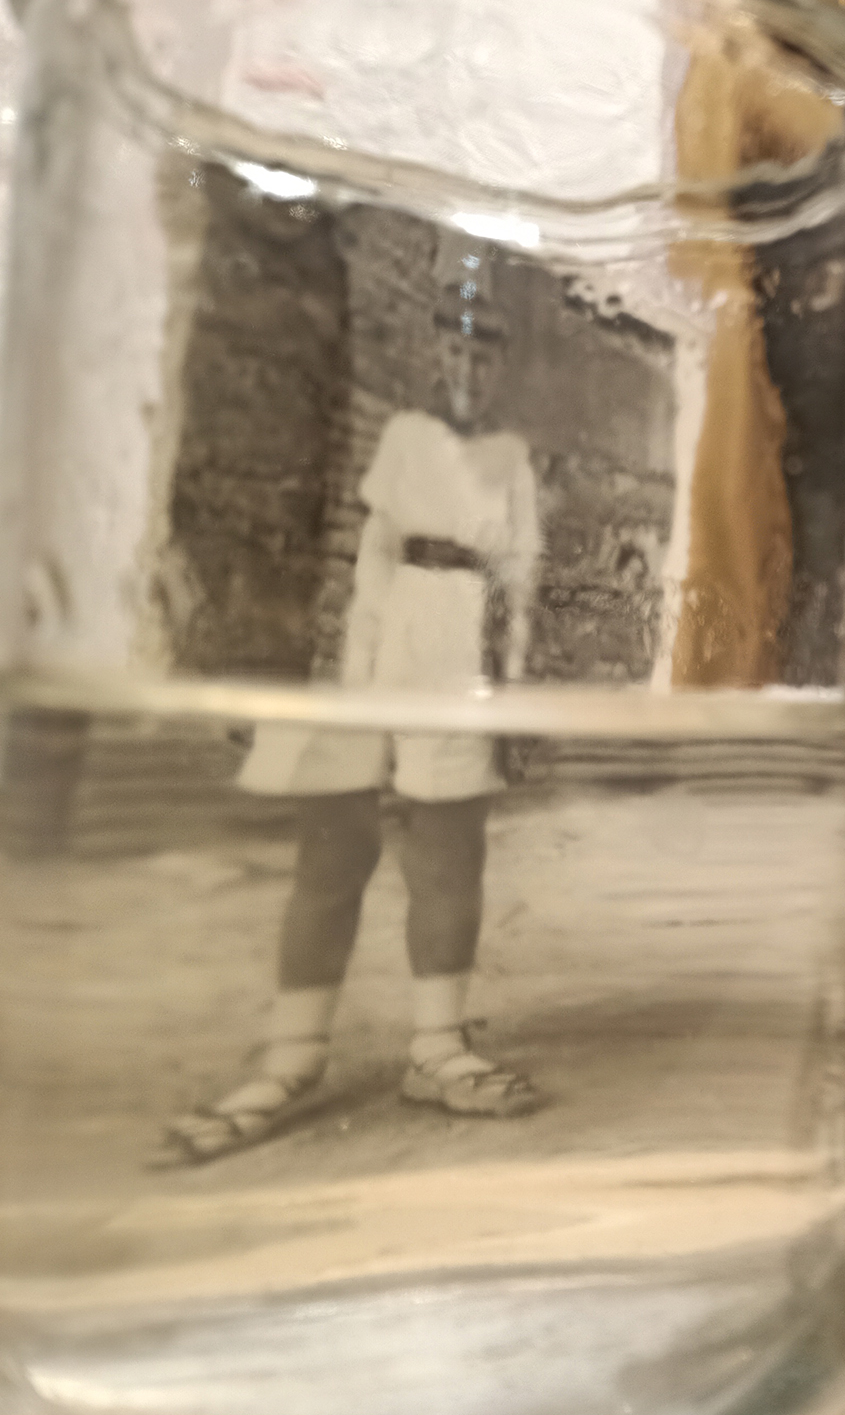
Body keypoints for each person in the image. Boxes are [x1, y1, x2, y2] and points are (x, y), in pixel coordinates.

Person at [163, 275, 542, 1163]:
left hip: (463, 651)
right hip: (388, 635)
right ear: (438, 353)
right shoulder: (406, 435)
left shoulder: (513, 457)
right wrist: (355, 666)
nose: (468, 365)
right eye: (456, 347)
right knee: (334, 844)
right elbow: (373, 557)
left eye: (484, 352)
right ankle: (291, 1057)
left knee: (448, 851)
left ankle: (437, 1047)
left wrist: (513, 689)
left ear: (500, 365)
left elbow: (521, 580)